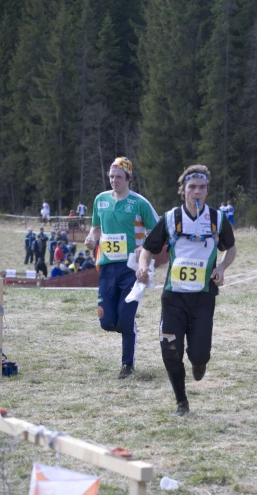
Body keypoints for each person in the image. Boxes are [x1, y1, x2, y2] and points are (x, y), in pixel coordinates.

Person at [137, 164, 236, 416]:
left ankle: (199, 363)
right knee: (170, 350)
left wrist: (222, 268)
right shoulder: (170, 218)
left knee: (199, 354)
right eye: (192, 187)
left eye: (202, 188)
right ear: (183, 191)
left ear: (207, 191)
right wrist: (143, 266)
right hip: (174, 297)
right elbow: (148, 249)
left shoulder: (218, 218)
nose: (197, 192)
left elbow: (231, 248)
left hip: (203, 297)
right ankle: (181, 402)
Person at [85, 157, 159, 379]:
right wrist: (91, 238)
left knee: (126, 319)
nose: (114, 180)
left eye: (118, 176)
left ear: (128, 178)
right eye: (111, 176)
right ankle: (128, 327)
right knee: (106, 321)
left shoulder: (139, 203)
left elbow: (158, 231)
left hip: (131, 269)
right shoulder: (100, 200)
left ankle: (127, 366)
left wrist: (143, 249)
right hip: (107, 268)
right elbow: (96, 228)